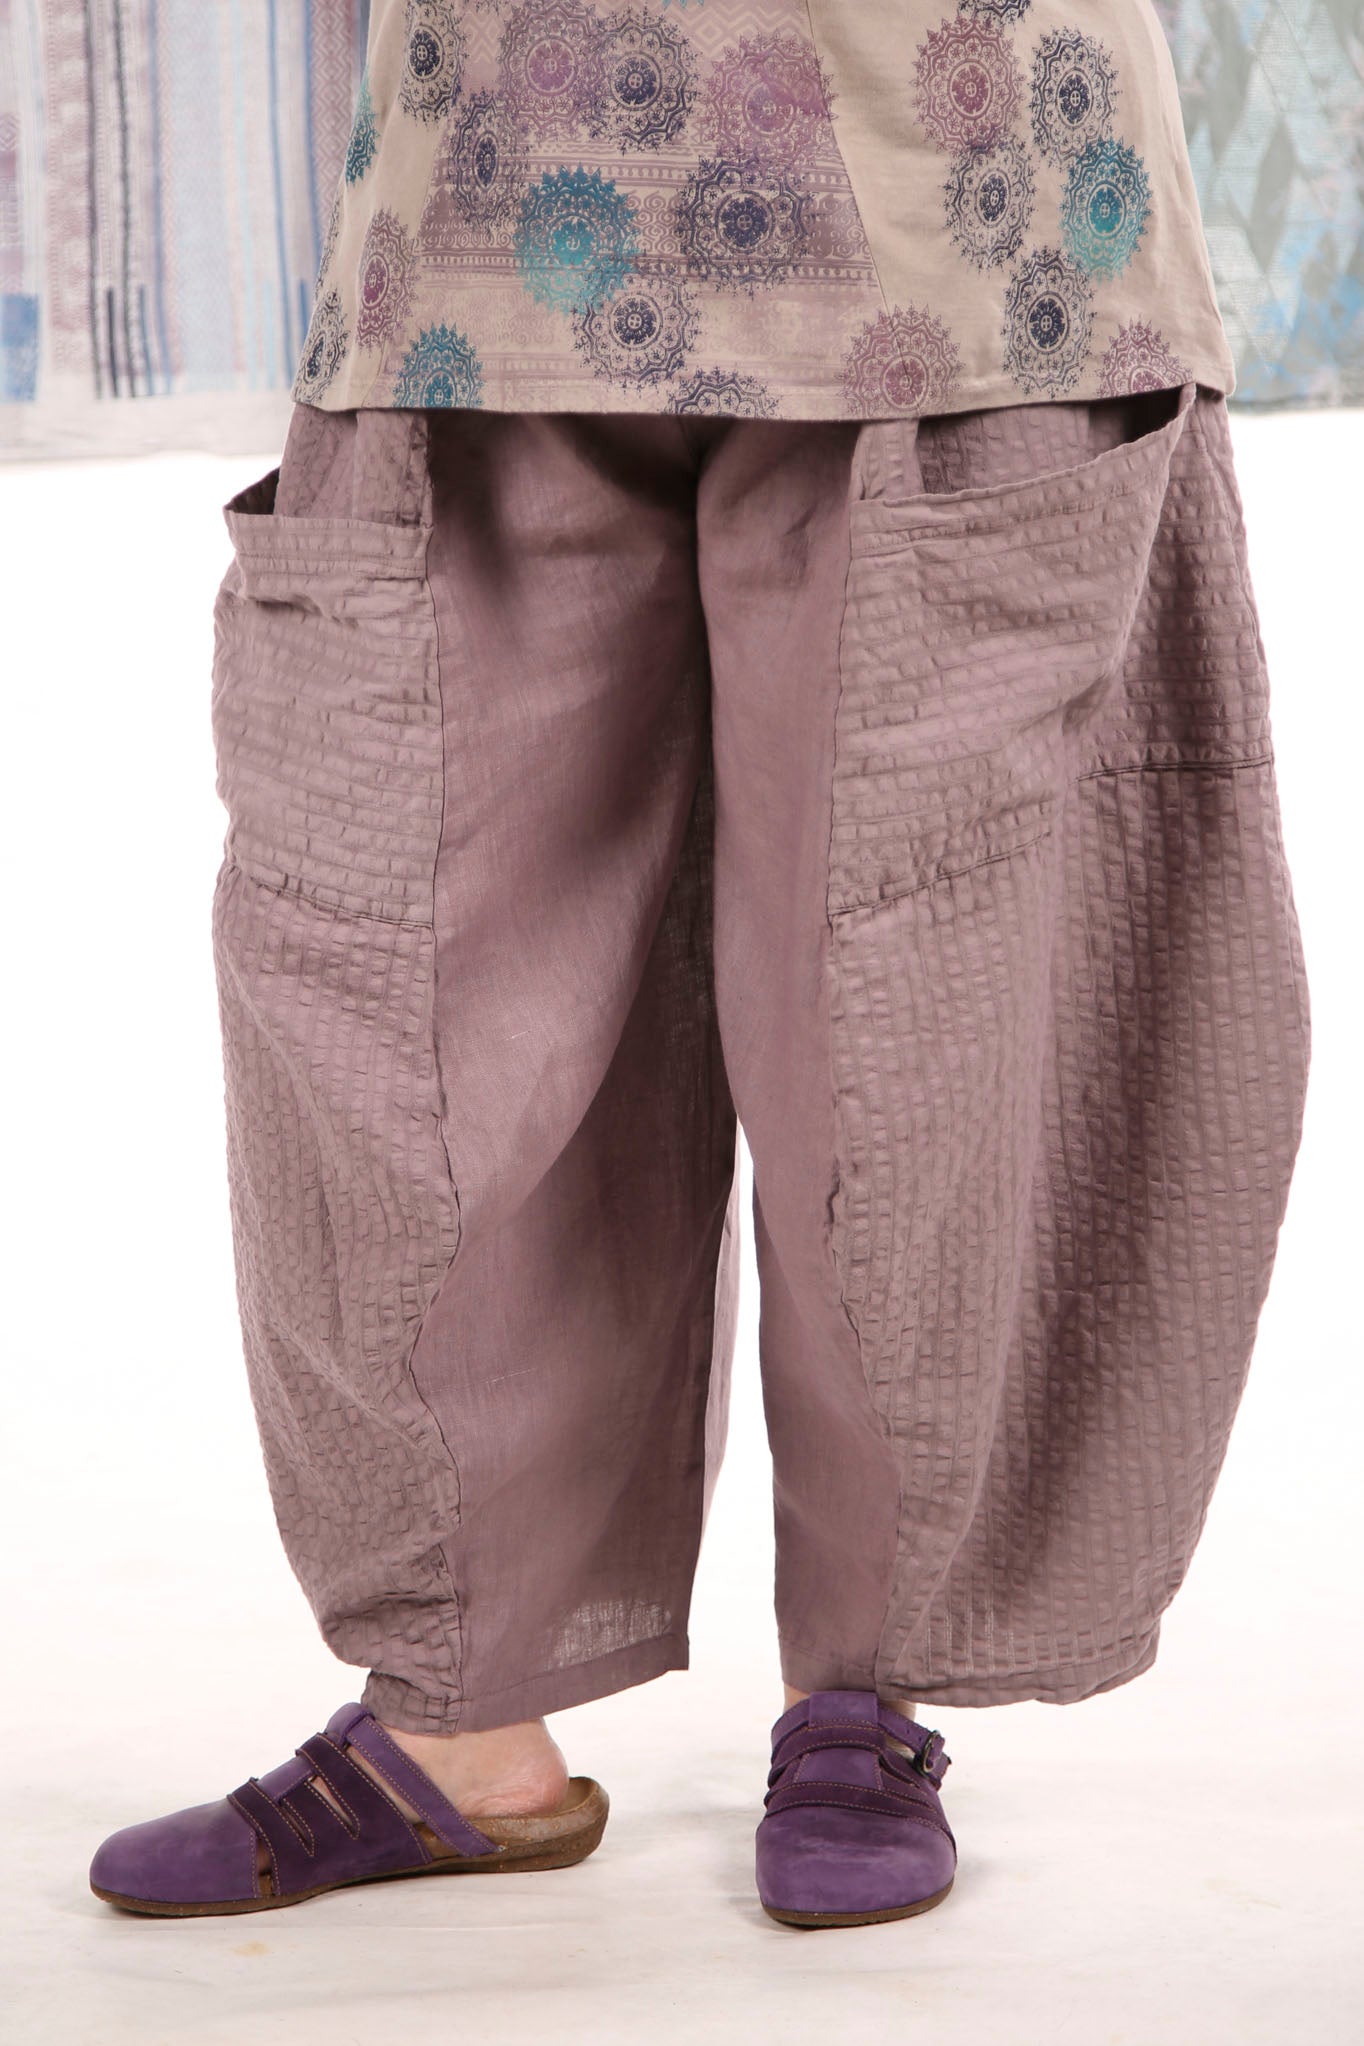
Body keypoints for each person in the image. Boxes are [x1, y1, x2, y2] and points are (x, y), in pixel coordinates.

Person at [89, 0, 1310, 1928]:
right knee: (421, 974)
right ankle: (457, 1721)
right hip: (492, 188)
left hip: (957, 195)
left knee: (912, 1006)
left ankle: (866, 1691)